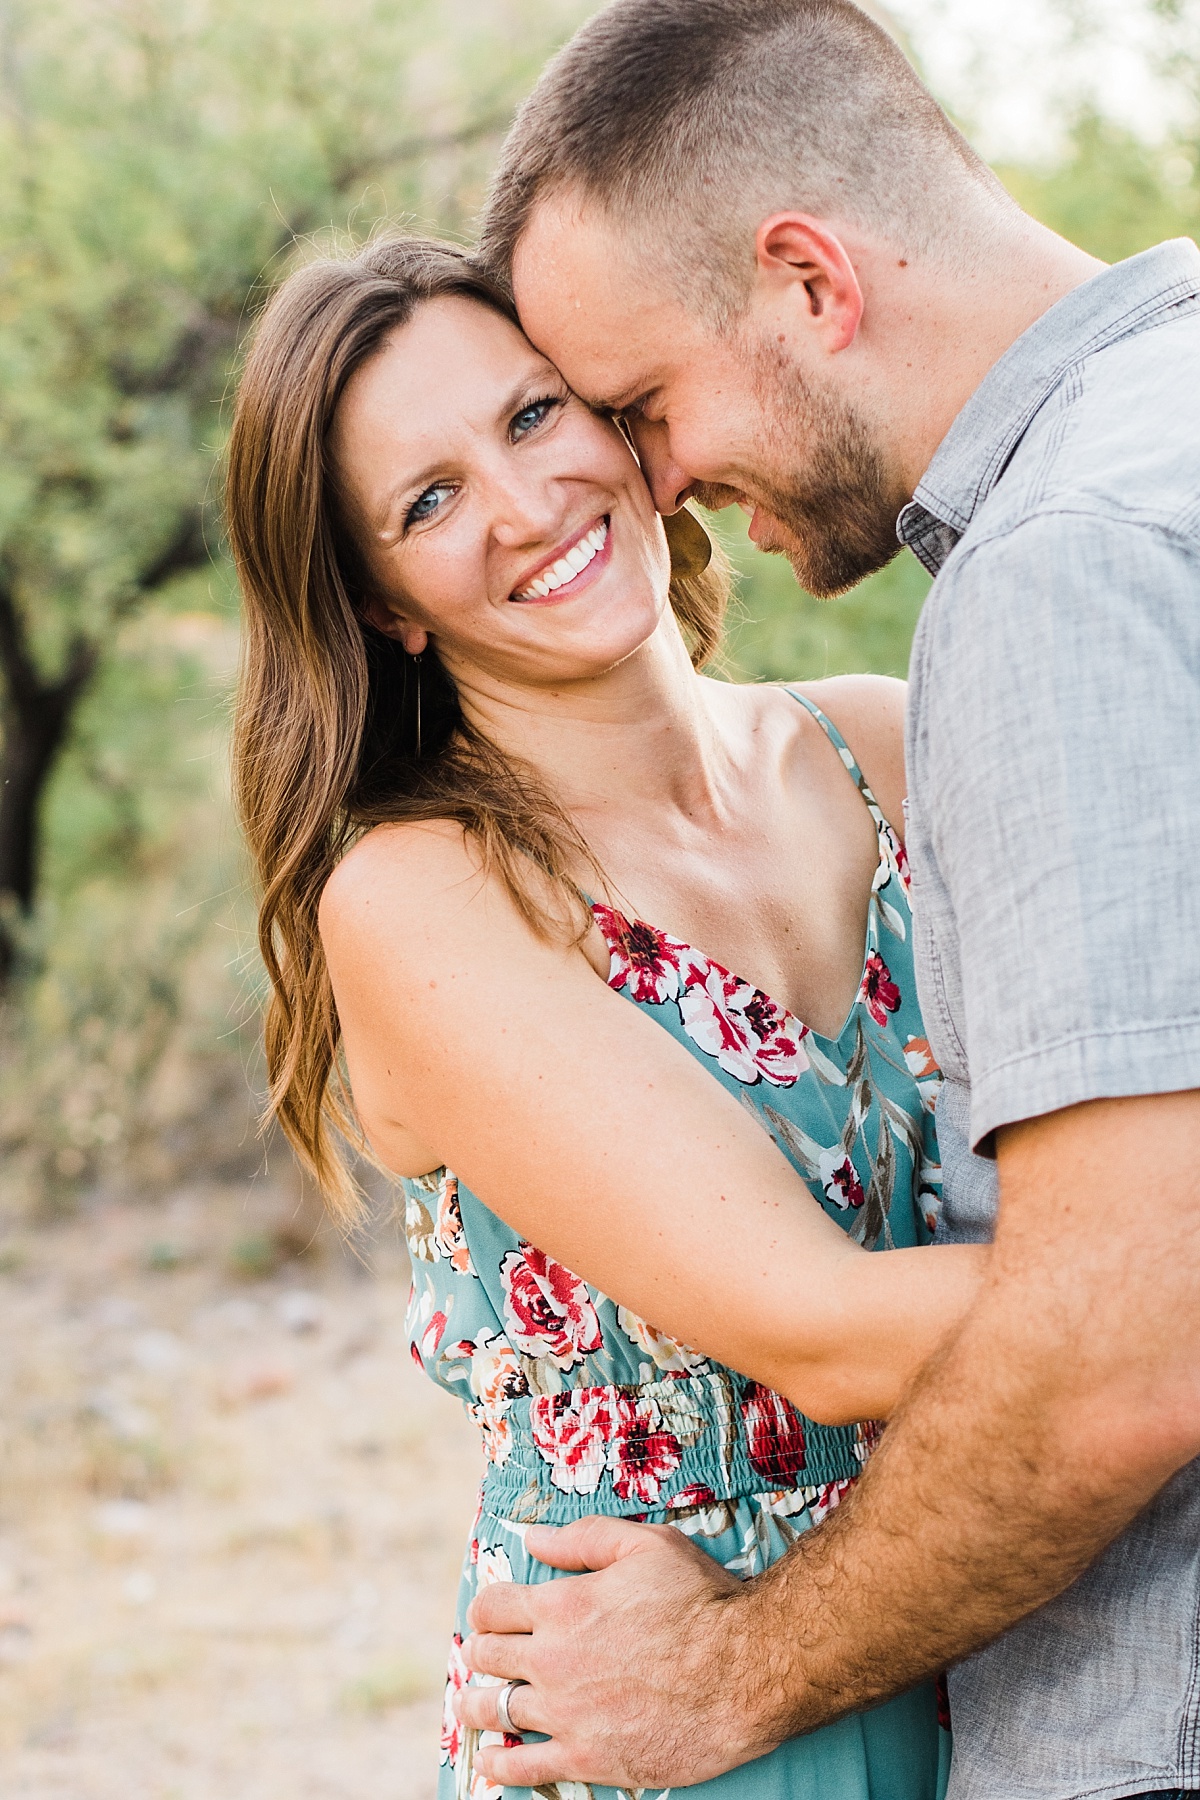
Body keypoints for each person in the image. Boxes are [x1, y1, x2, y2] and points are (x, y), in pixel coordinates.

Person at [453, 3, 1200, 1799]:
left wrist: (728, 1679)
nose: (648, 482)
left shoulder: (1060, 576)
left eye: (636, 406)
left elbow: (1125, 1353)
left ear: (807, 280)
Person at [224, 232, 989, 1800]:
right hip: (671, 1704)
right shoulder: (425, 898)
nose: (522, 508)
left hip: (998, 1608)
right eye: (427, 503)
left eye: (530, 416)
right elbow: (824, 1334)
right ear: (381, 609)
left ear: (622, 418)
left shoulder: (887, 745)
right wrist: (1144, 1304)